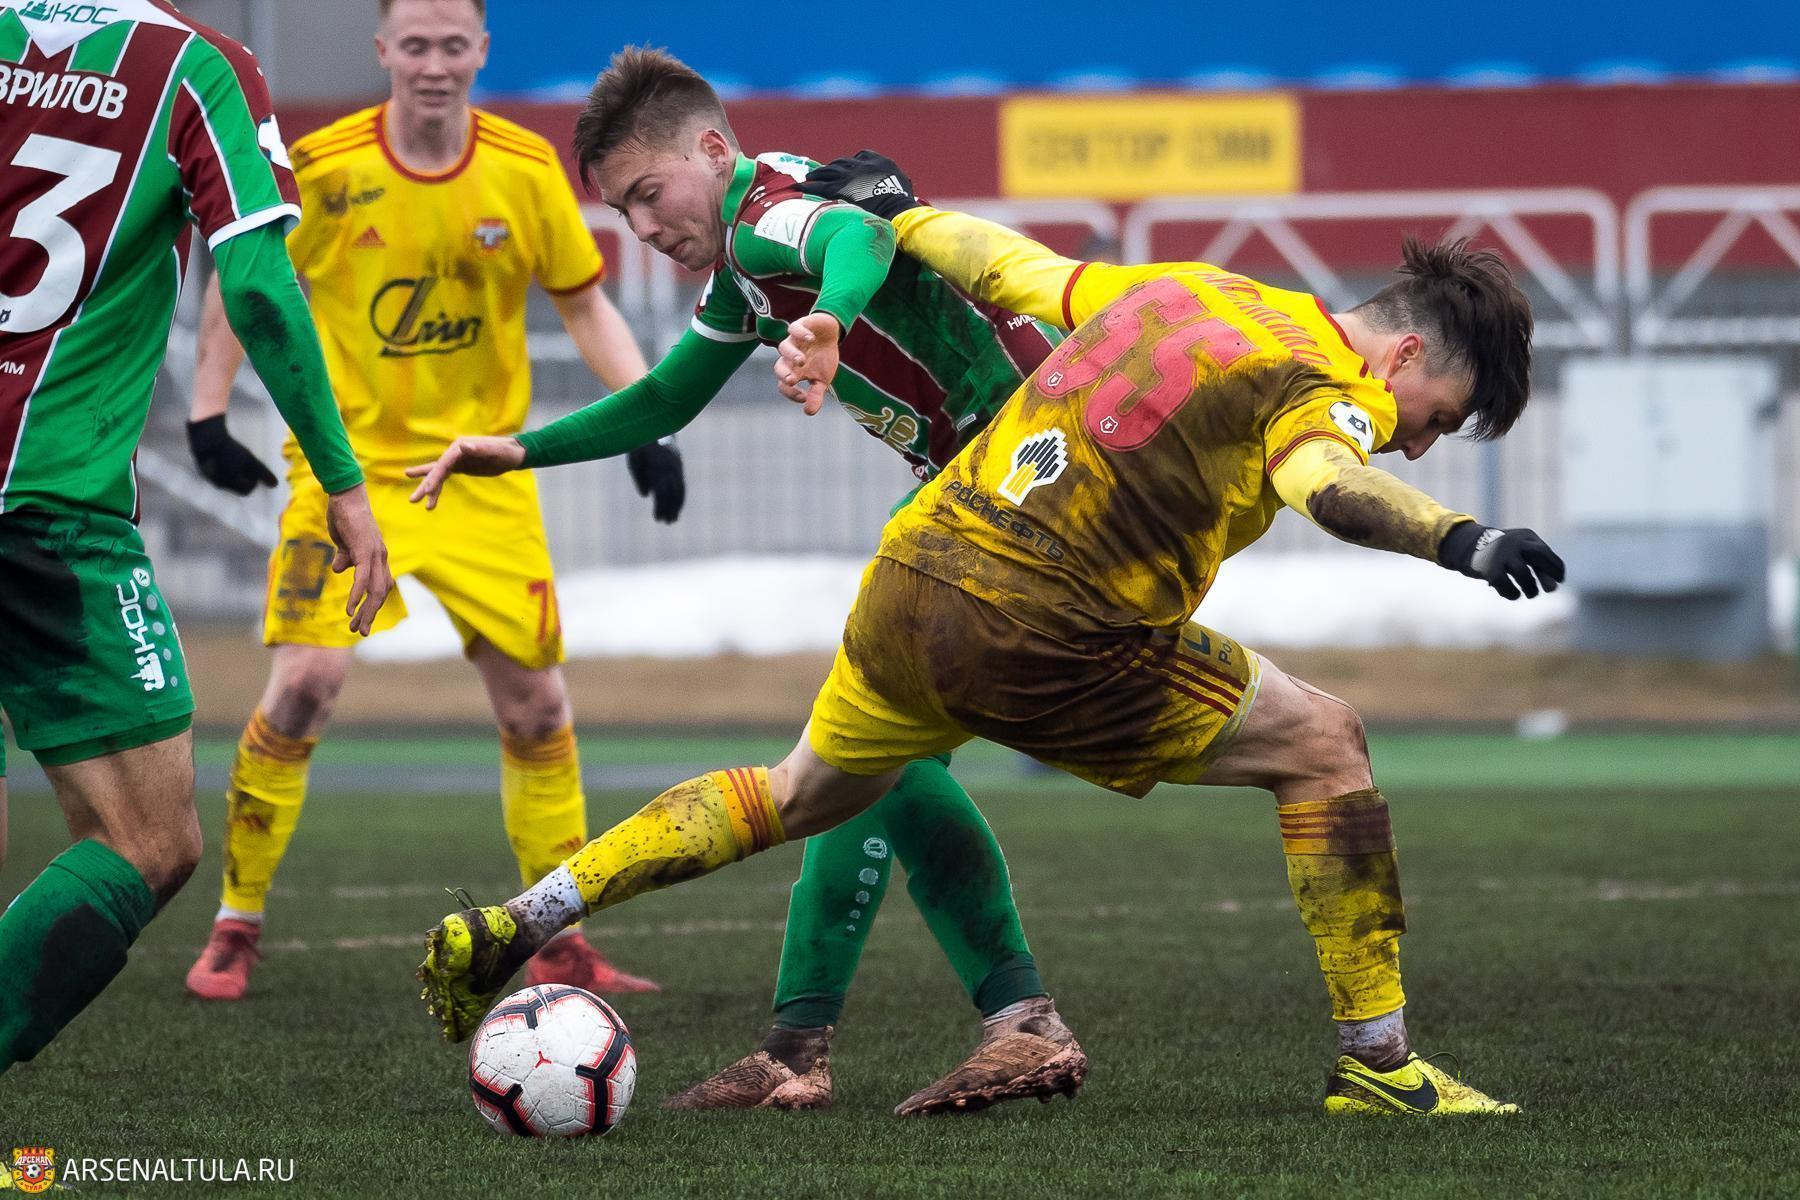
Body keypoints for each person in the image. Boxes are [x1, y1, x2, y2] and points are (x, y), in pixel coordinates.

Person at [412, 153, 1565, 1115]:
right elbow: (1326, 483)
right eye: (1438, 419)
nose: (1417, 443)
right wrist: (1458, 537)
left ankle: (519, 919)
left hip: (914, 574)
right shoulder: (1331, 383)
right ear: (1405, 356)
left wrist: (903, 214)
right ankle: (1382, 1068)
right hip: (1046, 628)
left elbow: (1016, 271)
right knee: (1327, 743)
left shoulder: (1195, 289)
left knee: (795, 792)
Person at [405, 47, 1086, 1116]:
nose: (642, 228)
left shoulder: (767, 217)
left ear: (713, 150)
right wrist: (518, 450)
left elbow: (857, 238)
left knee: (865, 753)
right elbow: (664, 401)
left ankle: (995, 1025)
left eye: (648, 194)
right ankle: (811, 1047)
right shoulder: (744, 266)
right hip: (997, 480)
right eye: (622, 212)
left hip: (1028, 474)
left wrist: (829, 319)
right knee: (865, 758)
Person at [180, 0, 679, 1003]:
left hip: (482, 475)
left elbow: (584, 302)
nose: (435, 64)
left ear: (482, 51)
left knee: (538, 706)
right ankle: (236, 922)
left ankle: (561, 943)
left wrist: (649, 421)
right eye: (416, 45)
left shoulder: (524, 170)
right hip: (349, 476)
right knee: (306, 684)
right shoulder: (323, 168)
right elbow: (247, 286)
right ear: (384, 52)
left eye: (454, 45)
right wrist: (206, 412)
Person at [0, 0, 391, 1074]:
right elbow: (257, 287)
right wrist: (344, 483)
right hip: (43, 507)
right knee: (148, 839)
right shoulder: (196, 68)